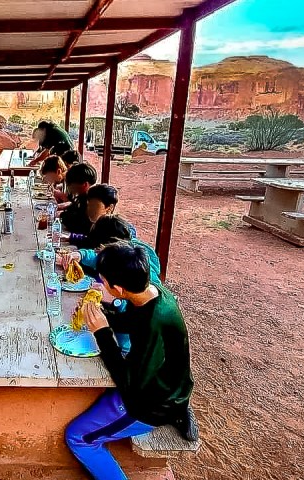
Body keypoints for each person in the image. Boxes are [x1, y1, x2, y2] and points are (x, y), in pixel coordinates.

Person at [65, 243, 197, 480]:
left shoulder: (153, 324)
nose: (100, 284)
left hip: (151, 403)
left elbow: (129, 385)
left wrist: (103, 333)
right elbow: (131, 321)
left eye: (103, 281)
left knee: (78, 438)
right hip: (164, 382)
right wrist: (106, 314)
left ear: (117, 288)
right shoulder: (152, 292)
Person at [65, 184, 119, 248]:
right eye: (89, 205)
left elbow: (97, 250)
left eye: (94, 206)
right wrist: (70, 238)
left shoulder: (115, 231)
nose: (90, 209)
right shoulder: (98, 224)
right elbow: (90, 241)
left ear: (110, 208)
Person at [59, 163, 97, 234]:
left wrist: (62, 216)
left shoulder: (92, 202)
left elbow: (80, 225)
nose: (69, 187)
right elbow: (72, 210)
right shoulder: (81, 197)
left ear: (85, 185)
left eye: (71, 184)